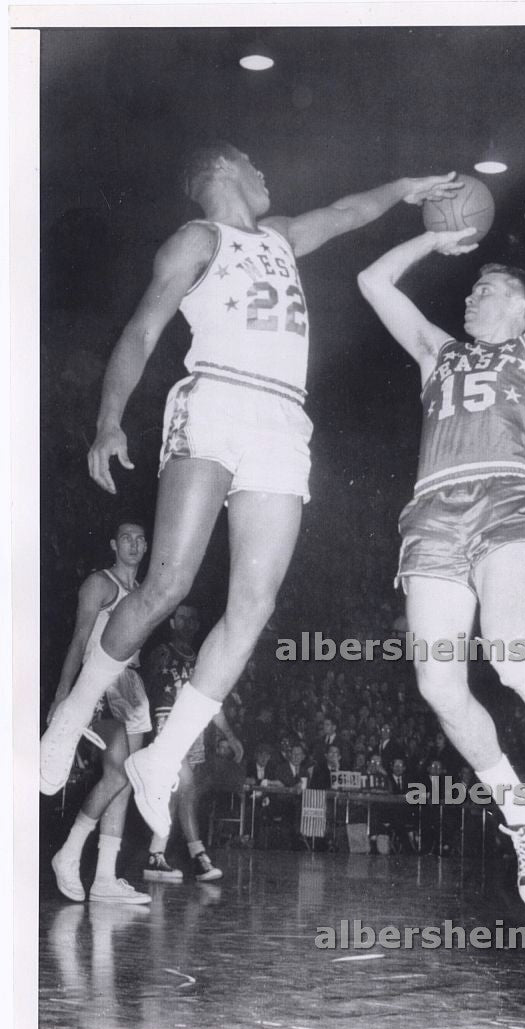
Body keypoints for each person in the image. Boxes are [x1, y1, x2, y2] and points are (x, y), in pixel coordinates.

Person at [39, 140, 462, 838]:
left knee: (255, 605)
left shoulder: (281, 236)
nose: (269, 174)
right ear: (222, 169)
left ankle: (163, 759)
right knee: (167, 585)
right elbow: (143, 331)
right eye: (256, 167)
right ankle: (72, 715)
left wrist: (406, 186)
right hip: (215, 399)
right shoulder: (196, 239)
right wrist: (109, 421)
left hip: (281, 415)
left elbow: (349, 211)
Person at [358, 189, 525, 908]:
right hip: (432, 514)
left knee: (511, 651)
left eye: (492, 287)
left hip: (505, 496)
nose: (475, 293)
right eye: (474, 286)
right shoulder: (437, 353)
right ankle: (519, 808)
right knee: (438, 685)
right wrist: (435, 240)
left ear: (521, 308)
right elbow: (372, 282)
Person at [46, 520, 152, 904]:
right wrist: (63, 696)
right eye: (127, 538)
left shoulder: (143, 591)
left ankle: (105, 878)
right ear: (113, 544)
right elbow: (78, 639)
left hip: (132, 685)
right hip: (99, 681)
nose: (134, 545)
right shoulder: (100, 583)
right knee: (118, 770)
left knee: (127, 779)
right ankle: (69, 854)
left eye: (141, 539)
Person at [141, 603, 232, 882]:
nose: (187, 624)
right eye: (182, 618)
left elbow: (212, 701)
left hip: (194, 728)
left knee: (178, 794)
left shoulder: (200, 658)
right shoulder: (162, 652)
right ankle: (198, 856)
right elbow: (145, 687)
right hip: (166, 723)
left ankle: (156, 856)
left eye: (193, 619)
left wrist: (230, 735)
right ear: (172, 622)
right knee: (187, 784)